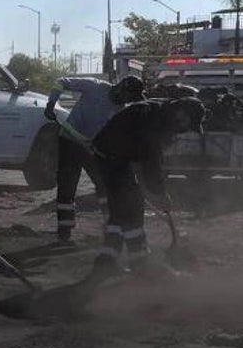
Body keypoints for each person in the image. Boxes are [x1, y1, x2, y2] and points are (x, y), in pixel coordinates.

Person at [86, 97, 207, 283]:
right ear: (181, 113)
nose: (183, 130)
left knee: (120, 213)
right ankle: (140, 265)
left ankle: (105, 262)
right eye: (187, 124)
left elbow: (147, 158)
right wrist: (160, 193)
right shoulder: (153, 119)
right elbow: (151, 161)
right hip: (109, 160)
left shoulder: (158, 112)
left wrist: (154, 188)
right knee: (132, 208)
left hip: (114, 159)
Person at [43, 75, 146, 242]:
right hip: (69, 142)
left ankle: (111, 227)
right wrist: (51, 103)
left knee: (104, 186)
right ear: (121, 89)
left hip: (93, 149)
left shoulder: (121, 111)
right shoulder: (95, 87)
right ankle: (64, 233)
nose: (129, 101)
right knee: (67, 186)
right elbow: (61, 82)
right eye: (130, 96)